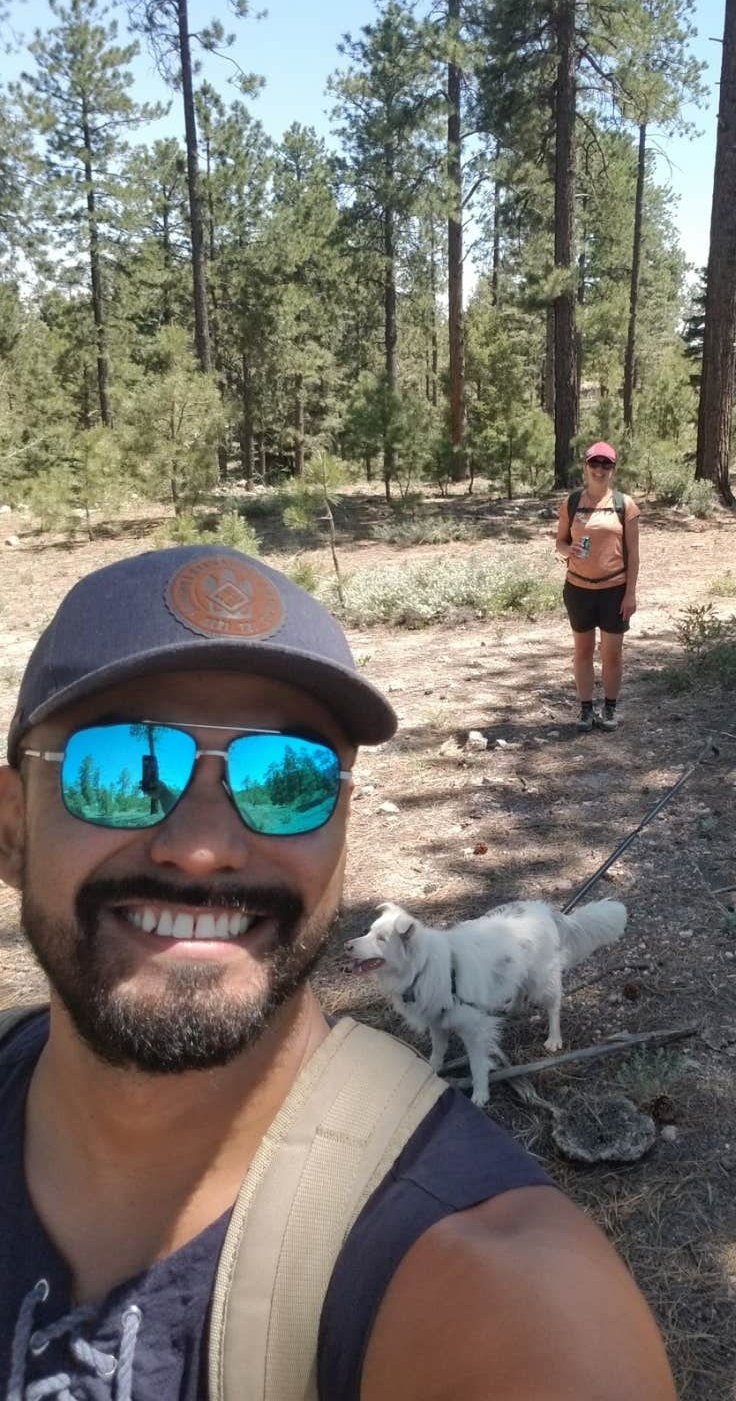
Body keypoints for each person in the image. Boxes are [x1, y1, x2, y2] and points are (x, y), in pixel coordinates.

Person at [0, 546, 676, 1399]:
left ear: (344, 824)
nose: (205, 847)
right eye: (123, 771)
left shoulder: (495, 1285)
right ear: (12, 827)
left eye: (289, 782)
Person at [554, 441, 641, 733]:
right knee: (582, 650)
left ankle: (610, 708)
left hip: (614, 589)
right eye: (595, 463)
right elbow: (560, 543)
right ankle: (585, 709)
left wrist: (630, 594)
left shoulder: (624, 505)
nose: (600, 470)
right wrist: (570, 550)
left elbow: (634, 553)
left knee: (612, 653)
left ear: (613, 469)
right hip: (578, 588)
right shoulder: (571, 502)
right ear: (585, 467)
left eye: (607, 465)